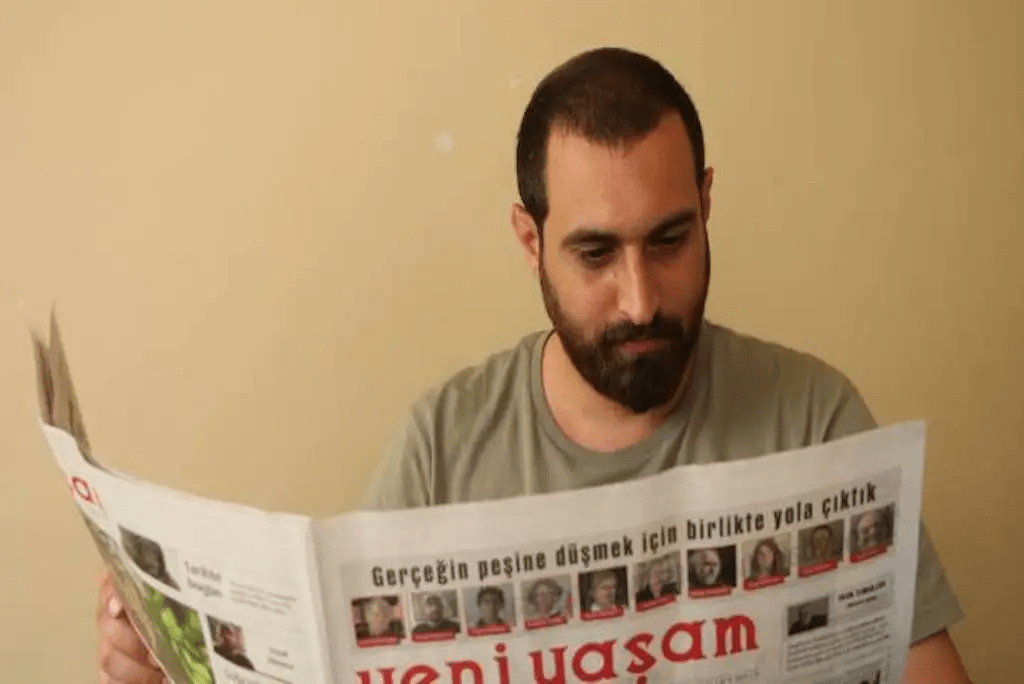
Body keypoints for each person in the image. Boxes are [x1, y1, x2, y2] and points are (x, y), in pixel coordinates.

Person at [95, 46, 971, 683]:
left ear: (707, 204)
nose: (641, 300)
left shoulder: (814, 417)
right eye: (596, 254)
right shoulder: (442, 448)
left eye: (670, 240)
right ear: (530, 240)